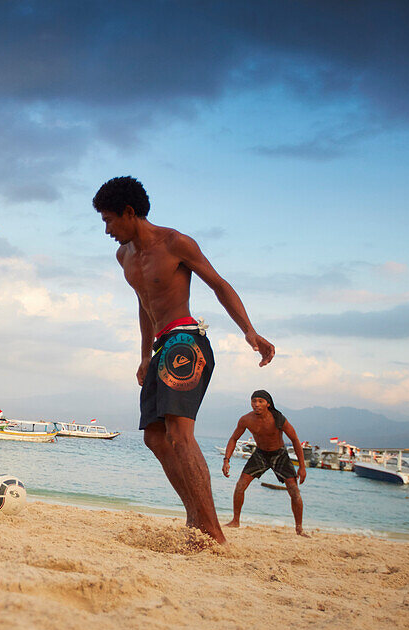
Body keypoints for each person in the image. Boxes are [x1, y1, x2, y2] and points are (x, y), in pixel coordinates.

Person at [94, 176, 274, 543]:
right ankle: (195, 517)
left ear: (130, 212)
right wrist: (144, 354)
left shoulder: (175, 243)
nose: (108, 230)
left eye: (110, 220)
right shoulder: (124, 256)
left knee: (179, 432)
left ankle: (213, 531)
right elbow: (144, 304)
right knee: (156, 437)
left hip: (186, 342)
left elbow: (219, 285)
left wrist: (249, 331)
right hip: (160, 347)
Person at [222, 390, 308, 536]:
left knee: (293, 490)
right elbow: (233, 439)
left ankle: (299, 528)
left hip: (279, 454)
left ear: (268, 404)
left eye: (260, 401)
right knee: (240, 485)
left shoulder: (278, 418)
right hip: (260, 454)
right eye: (254, 401)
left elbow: (294, 439)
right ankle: (235, 521)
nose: (256, 404)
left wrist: (302, 467)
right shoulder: (246, 420)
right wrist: (226, 460)